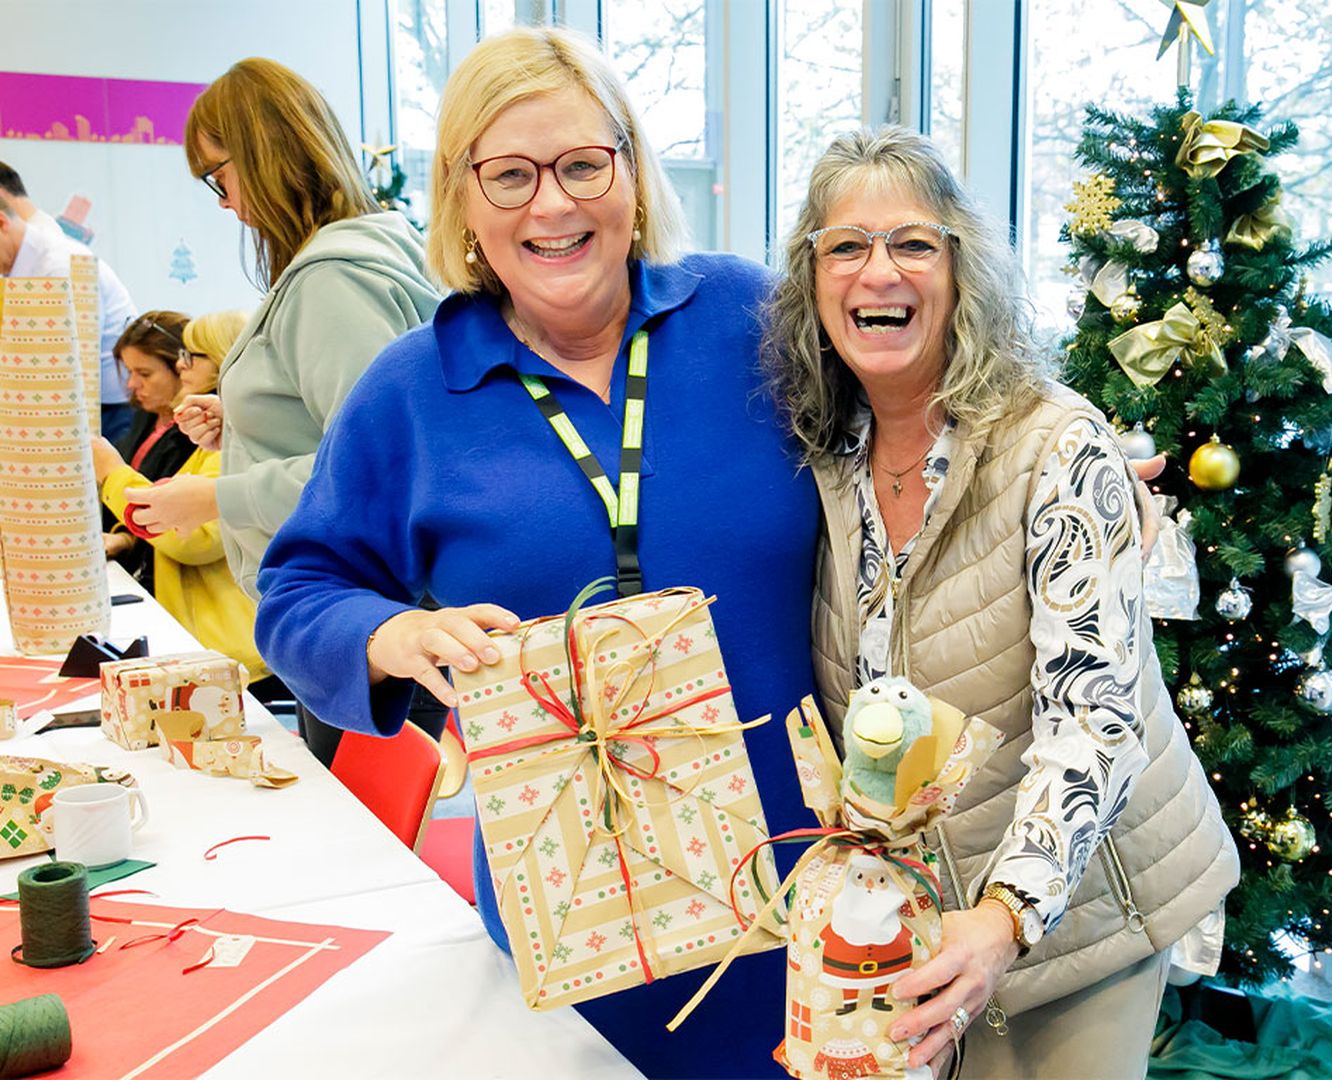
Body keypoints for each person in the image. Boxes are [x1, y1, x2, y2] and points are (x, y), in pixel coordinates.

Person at [253, 27, 818, 1078]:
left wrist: (1067, 471)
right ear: (463, 202)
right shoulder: (411, 391)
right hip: (576, 910)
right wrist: (392, 632)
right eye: (508, 175)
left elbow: (916, 412)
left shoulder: (752, 320)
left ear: (634, 175)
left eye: (581, 165)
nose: (551, 206)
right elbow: (295, 590)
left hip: (805, 879)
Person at [766, 127, 1239, 1079]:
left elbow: (1095, 721)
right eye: (845, 247)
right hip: (923, 907)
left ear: (962, 268)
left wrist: (1002, 918)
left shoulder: (1056, 446)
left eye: (912, 243)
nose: (877, 272)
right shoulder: (824, 452)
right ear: (811, 286)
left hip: (1090, 907)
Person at [127, 57, 442, 763]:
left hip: (357, 614)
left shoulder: (331, 281)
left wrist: (214, 494)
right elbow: (335, 429)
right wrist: (239, 424)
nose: (223, 202)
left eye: (218, 176)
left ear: (264, 158)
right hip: (355, 613)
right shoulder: (341, 263)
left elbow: (375, 474)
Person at [93, 310, 278, 694]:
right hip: (199, 632)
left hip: (222, 647)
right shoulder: (216, 435)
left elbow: (189, 538)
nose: (182, 365)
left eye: (193, 355)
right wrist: (127, 536)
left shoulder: (235, 441)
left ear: (227, 359)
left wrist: (111, 473)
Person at [0, 174, 138, 442]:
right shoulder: (19, 266)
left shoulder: (61, 265)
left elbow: (70, 363)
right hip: (66, 409)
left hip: (108, 411)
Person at [93, 312, 198, 595]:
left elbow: (178, 522)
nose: (131, 385)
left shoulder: (199, 437)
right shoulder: (145, 416)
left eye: (144, 374)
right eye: (129, 372)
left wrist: (127, 540)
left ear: (181, 367)